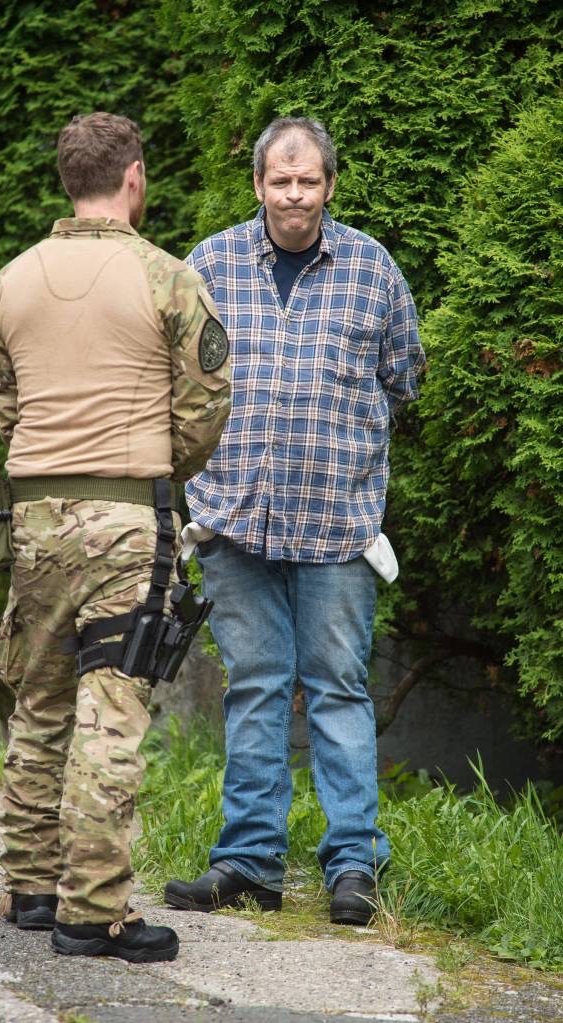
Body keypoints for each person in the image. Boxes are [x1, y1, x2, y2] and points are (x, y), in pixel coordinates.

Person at [0, 112, 230, 961]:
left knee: (39, 702)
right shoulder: (166, 276)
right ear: (133, 179)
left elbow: (1, 396)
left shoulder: (9, 280)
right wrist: (162, 470)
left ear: (66, 181)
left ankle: (31, 888)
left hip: (34, 519)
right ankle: (94, 912)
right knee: (110, 711)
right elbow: (204, 402)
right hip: (127, 521)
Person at [164, 116, 425, 925]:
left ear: (329, 185)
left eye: (307, 180)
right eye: (280, 181)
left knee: (340, 691)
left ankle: (353, 865)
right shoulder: (207, 265)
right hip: (234, 524)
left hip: (336, 529)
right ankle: (248, 861)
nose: (293, 194)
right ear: (257, 186)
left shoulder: (373, 271)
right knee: (253, 689)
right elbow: (176, 381)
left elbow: (403, 379)